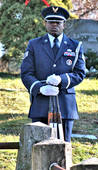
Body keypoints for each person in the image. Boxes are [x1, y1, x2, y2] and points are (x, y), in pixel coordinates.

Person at [21, 6, 86, 142]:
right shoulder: (34, 45)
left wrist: (61, 80)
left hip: (65, 105)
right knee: (38, 146)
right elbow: (26, 73)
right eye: (51, 22)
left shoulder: (75, 46)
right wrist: (40, 88)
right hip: (40, 104)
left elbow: (80, 73)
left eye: (58, 22)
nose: (54, 25)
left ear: (64, 24)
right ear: (45, 23)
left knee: (63, 147)